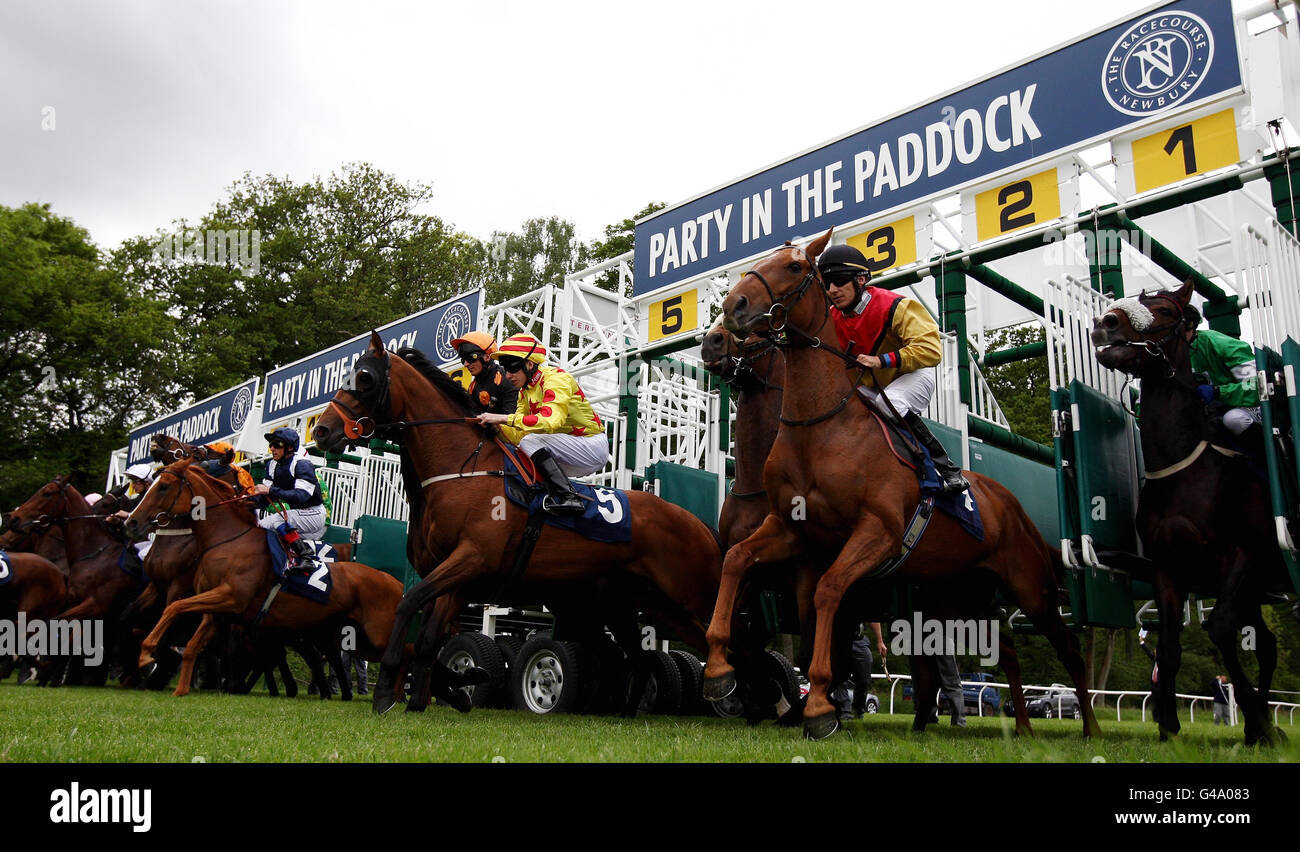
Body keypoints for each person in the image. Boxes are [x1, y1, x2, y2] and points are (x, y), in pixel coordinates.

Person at [817, 244, 969, 493]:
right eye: (827, 284)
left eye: (840, 281)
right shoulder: (829, 318)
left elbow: (931, 350)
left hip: (912, 375)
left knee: (890, 404)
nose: (832, 290)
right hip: (868, 385)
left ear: (862, 279)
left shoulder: (896, 306)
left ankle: (947, 469)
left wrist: (881, 360)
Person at [474, 334, 608, 515]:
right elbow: (518, 436)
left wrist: (502, 418)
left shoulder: (557, 378)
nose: (508, 375)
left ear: (530, 364)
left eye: (513, 368)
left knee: (531, 442)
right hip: (569, 451)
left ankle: (570, 497)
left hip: (592, 445)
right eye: (505, 369)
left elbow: (551, 420)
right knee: (522, 450)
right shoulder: (524, 393)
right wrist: (497, 428)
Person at [1182, 304, 1262, 449]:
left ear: (1191, 326)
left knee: (1234, 420)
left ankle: (1268, 466)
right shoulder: (1167, 353)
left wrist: (1218, 391)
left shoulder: (1220, 343)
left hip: (1249, 407)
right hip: (1210, 412)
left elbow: (1256, 385)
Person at [251, 427, 326, 573]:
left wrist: (271, 491)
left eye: (277, 445)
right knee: (261, 526)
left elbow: (302, 496)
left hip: (315, 514)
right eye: (271, 445)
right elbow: (265, 498)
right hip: (297, 513)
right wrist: (243, 501)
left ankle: (307, 559)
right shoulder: (272, 465)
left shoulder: (302, 464)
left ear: (290, 447)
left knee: (278, 521)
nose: (272, 448)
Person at [452, 331, 519, 416]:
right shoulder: (472, 388)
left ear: (487, 357)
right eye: (463, 360)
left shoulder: (507, 379)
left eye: (471, 358)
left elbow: (511, 419)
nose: (466, 364)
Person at [832, 622, 886, 720]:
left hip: (858, 637)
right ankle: (844, 710)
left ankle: (858, 709)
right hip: (837, 637)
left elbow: (872, 616)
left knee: (864, 675)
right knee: (839, 675)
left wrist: (880, 641)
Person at [111, 463, 157, 565]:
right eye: (132, 481)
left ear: (147, 483)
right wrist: (117, 521)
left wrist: (127, 515)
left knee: (142, 554)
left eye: (136, 482)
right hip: (145, 540)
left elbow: (146, 518)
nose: (133, 485)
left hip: (158, 540)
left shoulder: (155, 498)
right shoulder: (138, 498)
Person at [1138, 627, 1160, 725]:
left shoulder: (1163, 661)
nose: (1154, 651)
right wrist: (1142, 642)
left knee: (1160, 702)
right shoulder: (1155, 659)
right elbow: (1148, 652)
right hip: (1154, 684)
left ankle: (1161, 718)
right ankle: (1156, 719)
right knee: (1154, 703)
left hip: (1161, 685)